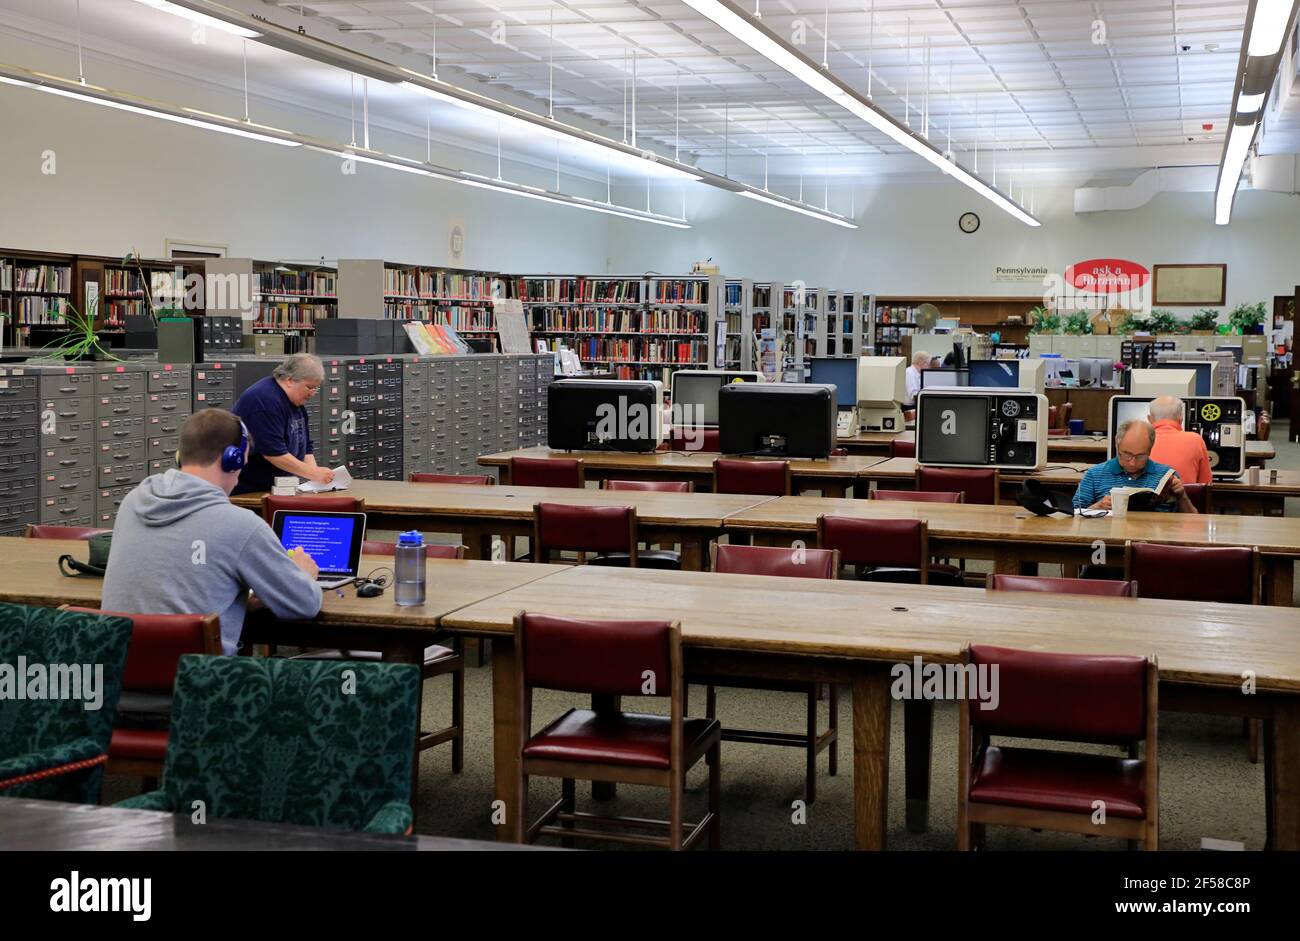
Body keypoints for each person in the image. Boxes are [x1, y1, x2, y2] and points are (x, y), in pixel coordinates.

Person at [103, 408, 323, 655]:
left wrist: (236, 598)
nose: (239, 479)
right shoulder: (241, 525)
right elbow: (304, 604)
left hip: (119, 676)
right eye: (243, 465)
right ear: (233, 459)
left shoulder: (132, 503)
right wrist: (302, 575)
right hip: (200, 683)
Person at [231, 353, 332, 495]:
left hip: (279, 486)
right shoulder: (265, 401)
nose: (313, 393)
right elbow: (273, 453)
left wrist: (317, 481)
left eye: (316, 388)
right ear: (290, 380)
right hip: (249, 490)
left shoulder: (295, 401)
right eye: (309, 387)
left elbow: (306, 446)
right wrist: (313, 473)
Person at [1071, 419, 1197, 513]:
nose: (1132, 462)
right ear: (1117, 445)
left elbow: (1193, 523)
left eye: (1140, 456)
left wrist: (1182, 496)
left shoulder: (1167, 475)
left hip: (1156, 541)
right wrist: (1097, 507)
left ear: (1150, 450)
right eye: (1126, 455)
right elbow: (1074, 515)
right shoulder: (1095, 474)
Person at [1148, 395, 1212, 485]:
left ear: (1149, 419)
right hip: (1184, 498)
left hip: (1144, 498)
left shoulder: (1139, 440)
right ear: (1181, 419)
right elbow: (1205, 484)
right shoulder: (1195, 440)